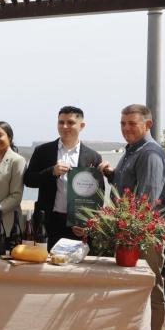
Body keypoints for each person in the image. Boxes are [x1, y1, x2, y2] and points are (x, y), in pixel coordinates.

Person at [98, 104, 165, 330]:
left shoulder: (150, 154)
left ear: (147, 125)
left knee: (150, 288)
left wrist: (126, 233)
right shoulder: (133, 151)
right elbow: (128, 188)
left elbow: (146, 203)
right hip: (129, 233)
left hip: (143, 235)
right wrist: (111, 175)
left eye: (132, 123)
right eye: (123, 123)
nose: (126, 128)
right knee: (136, 288)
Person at [24, 106, 102, 249]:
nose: (65, 126)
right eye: (61, 122)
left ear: (82, 126)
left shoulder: (93, 157)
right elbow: (28, 180)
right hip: (48, 222)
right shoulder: (42, 151)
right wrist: (51, 172)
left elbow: (96, 196)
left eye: (70, 122)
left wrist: (87, 223)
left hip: (77, 226)